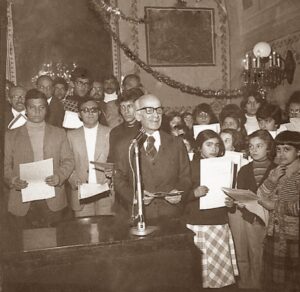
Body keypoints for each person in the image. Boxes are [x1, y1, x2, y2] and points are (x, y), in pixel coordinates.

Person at [113, 94, 192, 223]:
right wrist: (135, 196)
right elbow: (118, 178)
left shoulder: (176, 143)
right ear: (138, 115)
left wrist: (179, 191)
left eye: (159, 110)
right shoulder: (125, 145)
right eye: (149, 111)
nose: (156, 115)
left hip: (172, 216)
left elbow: (186, 177)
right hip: (139, 215)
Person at [4, 89, 74, 228]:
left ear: (46, 110)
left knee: (53, 244)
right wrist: (13, 180)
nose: (37, 111)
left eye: (41, 107)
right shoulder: (10, 136)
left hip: (52, 198)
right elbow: (5, 166)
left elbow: (69, 160)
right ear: (25, 109)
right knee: (25, 245)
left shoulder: (59, 133)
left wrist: (59, 176)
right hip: (22, 200)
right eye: (32, 107)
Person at [184, 130, 238, 289]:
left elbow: (231, 191)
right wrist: (194, 193)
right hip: (197, 222)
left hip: (218, 222)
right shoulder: (189, 166)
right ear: (199, 148)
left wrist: (230, 202)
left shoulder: (225, 165)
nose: (213, 149)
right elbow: (179, 196)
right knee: (198, 271)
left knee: (218, 269)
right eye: (209, 144)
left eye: (216, 145)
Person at [225, 129, 276, 289]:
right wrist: (236, 202)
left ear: (268, 148)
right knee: (245, 250)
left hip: (267, 217)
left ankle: (258, 284)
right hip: (247, 215)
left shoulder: (276, 169)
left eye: (259, 146)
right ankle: (246, 283)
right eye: (251, 146)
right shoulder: (244, 170)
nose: (254, 150)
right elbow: (241, 192)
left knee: (260, 254)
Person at [257, 131, 300, 292]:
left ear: (299, 151)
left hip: (295, 237)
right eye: (279, 149)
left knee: (293, 282)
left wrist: (275, 206)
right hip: (273, 234)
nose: (281, 154)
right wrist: (271, 180)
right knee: (273, 283)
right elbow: (260, 196)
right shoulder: (276, 171)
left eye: (287, 149)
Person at [67, 97, 113, 217]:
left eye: (93, 109)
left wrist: (112, 174)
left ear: (99, 112)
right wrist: (73, 178)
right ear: (79, 114)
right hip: (81, 192)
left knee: (105, 231)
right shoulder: (70, 136)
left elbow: (117, 160)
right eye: (85, 110)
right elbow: (66, 161)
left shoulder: (111, 133)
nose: (90, 113)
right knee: (84, 233)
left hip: (105, 192)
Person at [107, 87, 144, 163]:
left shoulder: (146, 129)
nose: (126, 111)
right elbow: (111, 158)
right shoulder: (115, 132)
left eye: (129, 106)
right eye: (122, 107)